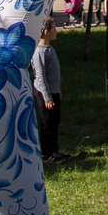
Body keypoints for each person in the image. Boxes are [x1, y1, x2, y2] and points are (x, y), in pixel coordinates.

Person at [31, 16, 69, 162]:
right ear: (46, 32)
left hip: (53, 92)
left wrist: (57, 90)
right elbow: (40, 77)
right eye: (53, 29)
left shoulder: (49, 48)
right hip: (44, 94)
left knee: (54, 121)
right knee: (47, 122)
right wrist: (47, 97)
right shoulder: (39, 52)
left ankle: (54, 149)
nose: (56, 31)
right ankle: (46, 153)